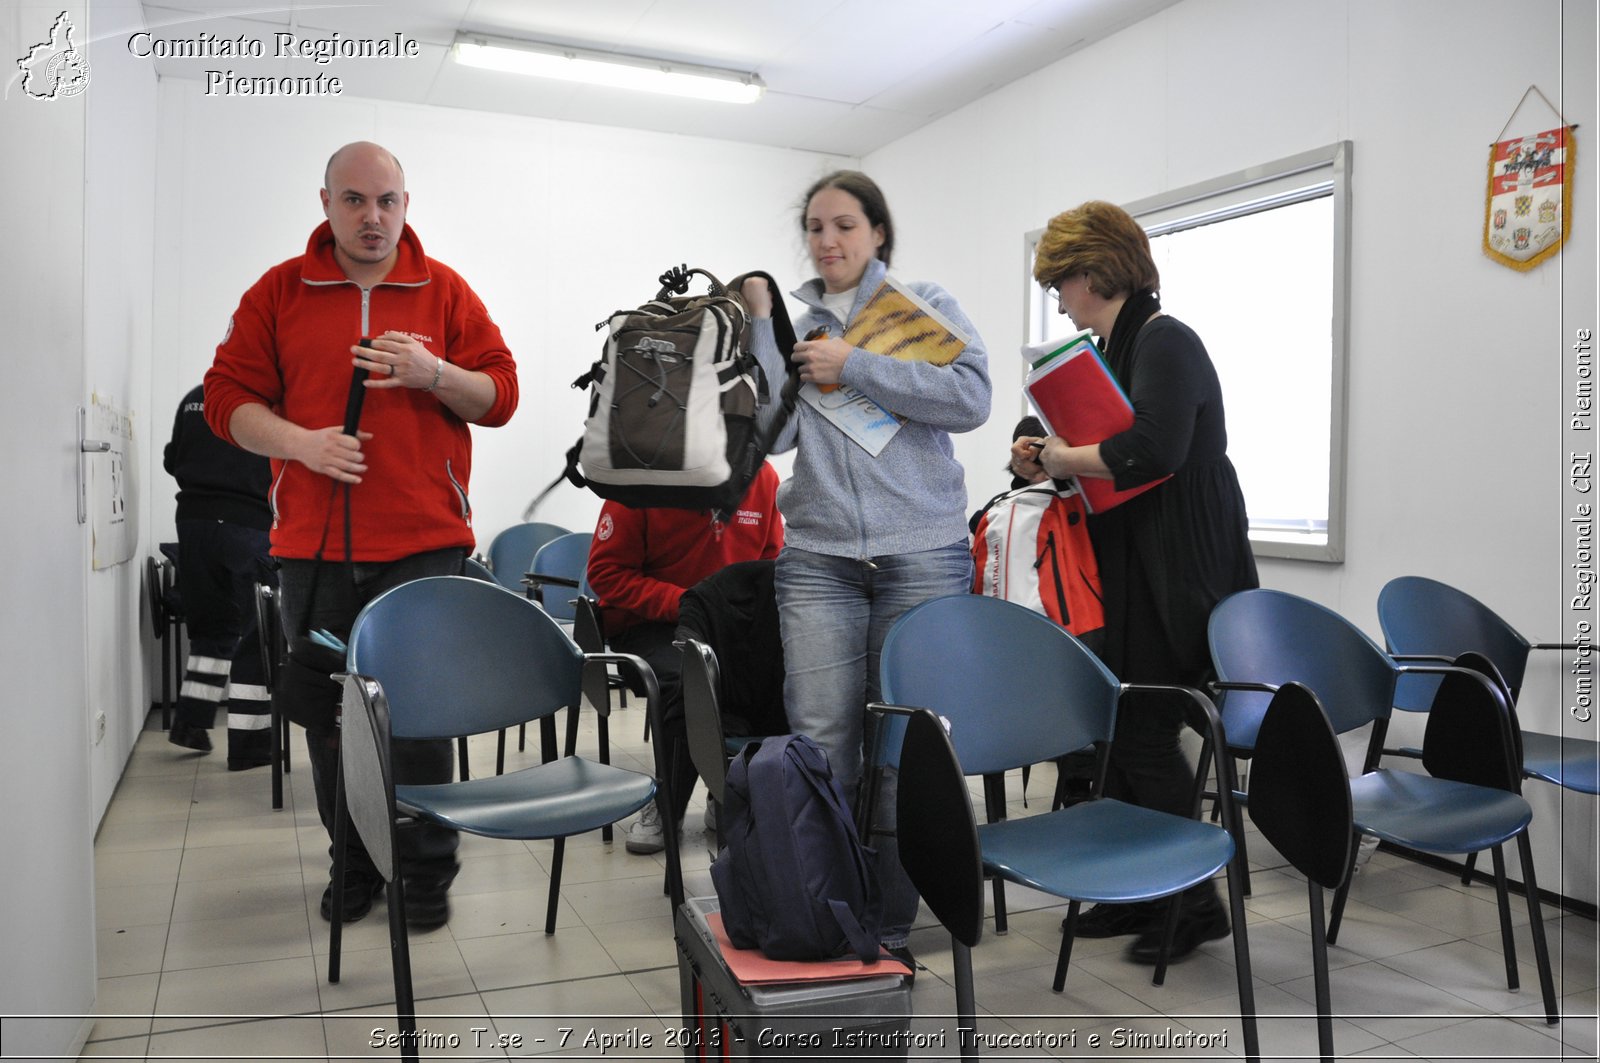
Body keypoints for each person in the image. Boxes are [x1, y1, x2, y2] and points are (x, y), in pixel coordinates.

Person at [203, 142, 519, 930]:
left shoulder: (445, 290)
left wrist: (434, 374)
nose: (372, 217)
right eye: (354, 201)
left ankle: (423, 868)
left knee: (420, 717)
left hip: (426, 543)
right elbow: (225, 399)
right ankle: (355, 862)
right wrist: (302, 443)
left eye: (387, 201)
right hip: (313, 546)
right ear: (325, 203)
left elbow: (502, 394)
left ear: (406, 204)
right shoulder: (279, 291)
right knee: (330, 718)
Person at [742, 170, 991, 960]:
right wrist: (759, 328)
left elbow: (973, 397)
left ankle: (883, 925)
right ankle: (825, 909)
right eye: (815, 227)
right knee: (819, 743)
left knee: (898, 754)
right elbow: (774, 437)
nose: (828, 240)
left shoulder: (923, 305)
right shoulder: (799, 322)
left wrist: (853, 364)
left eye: (844, 224)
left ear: (878, 232)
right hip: (817, 559)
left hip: (921, 552)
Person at [1020, 199, 1258, 963]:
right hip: (1134, 557)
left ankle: (1193, 904)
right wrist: (1044, 453)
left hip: (1178, 561)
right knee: (1119, 726)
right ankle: (1141, 891)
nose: (1058, 297)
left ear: (1094, 272)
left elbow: (1151, 449)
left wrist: (1063, 457)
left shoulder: (1166, 340)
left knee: (1149, 729)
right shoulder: (1115, 350)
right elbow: (1105, 452)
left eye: (1062, 281)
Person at [586, 463, 784, 854]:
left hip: (727, 623)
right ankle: (667, 805)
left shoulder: (761, 475)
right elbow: (605, 573)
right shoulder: (643, 474)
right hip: (651, 622)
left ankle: (729, 792)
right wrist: (690, 605)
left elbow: (769, 565)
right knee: (690, 680)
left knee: (773, 676)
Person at [163, 382, 276, 770]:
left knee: (211, 627)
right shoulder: (266, 400)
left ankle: (191, 722)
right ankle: (250, 745)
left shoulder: (194, 396)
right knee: (255, 632)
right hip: (247, 524)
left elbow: (171, 460)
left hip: (193, 523)